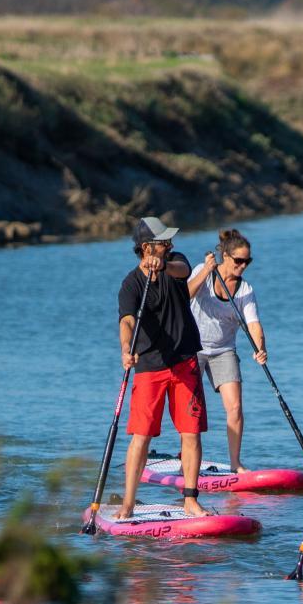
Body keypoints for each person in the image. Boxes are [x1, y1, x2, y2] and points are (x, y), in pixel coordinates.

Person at [117, 216, 208, 519]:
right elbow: (127, 321)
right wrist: (126, 349)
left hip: (185, 362)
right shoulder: (131, 284)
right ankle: (128, 503)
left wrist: (165, 264)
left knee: (191, 433)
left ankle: (191, 499)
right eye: (163, 243)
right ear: (146, 247)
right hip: (150, 366)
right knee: (141, 437)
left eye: (169, 242)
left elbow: (183, 271)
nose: (170, 246)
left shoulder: (175, 262)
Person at [187, 229, 267, 472]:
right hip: (193, 347)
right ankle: (187, 461)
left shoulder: (245, 290)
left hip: (224, 350)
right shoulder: (204, 269)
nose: (243, 266)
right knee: (192, 411)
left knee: (235, 408)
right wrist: (205, 272)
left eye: (247, 262)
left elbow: (254, 325)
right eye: (238, 261)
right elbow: (184, 295)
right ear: (225, 256)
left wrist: (260, 348)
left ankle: (235, 464)